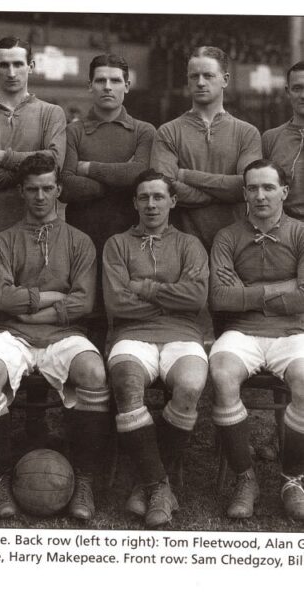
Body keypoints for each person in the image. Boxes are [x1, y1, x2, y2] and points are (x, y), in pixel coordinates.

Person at [0, 153, 110, 521]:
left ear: (59, 190)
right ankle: (1, 478)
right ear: (21, 191)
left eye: (47, 188)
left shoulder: (80, 241)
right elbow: (4, 299)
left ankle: (84, 480)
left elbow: (83, 302)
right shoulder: (5, 240)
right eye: (32, 189)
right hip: (11, 333)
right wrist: (52, 296)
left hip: (64, 334)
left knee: (94, 372)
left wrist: (30, 306)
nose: (40, 196)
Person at [103, 168, 209, 528]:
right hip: (132, 335)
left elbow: (196, 299)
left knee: (190, 386)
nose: (151, 204)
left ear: (172, 201)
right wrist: (170, 300)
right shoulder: (117, 244)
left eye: (158, 196)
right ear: (134, 203)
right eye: (144, 197)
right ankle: (159, 485)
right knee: (127, 385)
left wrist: (144, 288)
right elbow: (117, 304)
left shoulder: (189, 245)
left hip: (183, 334)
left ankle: (146, 482)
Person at [209, 159, 304, 521]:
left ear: (284, 191)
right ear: (244, 193)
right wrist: (285, 287)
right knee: (222, 374)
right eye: (253, 188)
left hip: (292, 331)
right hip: (240, 331)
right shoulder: (227, 236)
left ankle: (293, 479)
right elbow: (220, 298)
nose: (261, 195)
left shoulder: (300, 233)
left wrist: (248, 291)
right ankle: (245, 478)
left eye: (268, 187)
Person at [0, 36, 66, 312]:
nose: (11, 72)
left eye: (18, 64)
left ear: (31, 66)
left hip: (38, 238)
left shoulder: (51, 113)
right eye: (4, 64)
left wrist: (3, 157)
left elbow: (54, 162)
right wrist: (29, 174)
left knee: (33, 313)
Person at [151, 46, 261, 250]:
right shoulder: (168, 131)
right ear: (187, 80)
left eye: (208, 75)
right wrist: (221, 193)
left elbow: (247, 187)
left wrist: (185, 175)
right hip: (182, 248)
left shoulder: (247, 133)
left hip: (236, 248)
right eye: (194, 76)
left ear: (225, 80)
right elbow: (164, 189)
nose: (200, 82)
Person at [61, 54, 155, 259]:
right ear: (90, 85)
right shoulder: (72, 132)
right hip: (81, 243)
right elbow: (66, 187)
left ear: (127, 86)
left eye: (115, 80)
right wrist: (120, 180)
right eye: (100, 80)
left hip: (132, 244)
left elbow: (140, 174)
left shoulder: (144, 131)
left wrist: (88, 169)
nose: (107, 87)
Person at [262, 61, 304, 221]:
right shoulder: (271, 138)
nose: (303, 95)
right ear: (288, 92)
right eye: (297, 88)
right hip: (283, 228)